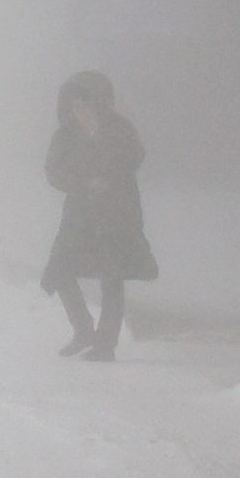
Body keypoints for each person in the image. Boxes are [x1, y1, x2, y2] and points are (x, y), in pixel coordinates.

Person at [39, 69, 156, 362]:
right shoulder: (64, 135)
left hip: (117, 213)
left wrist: (106, 172)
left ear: (99, 103)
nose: (79, 110)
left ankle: (105, 345)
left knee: (112, 276)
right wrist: (81, 182)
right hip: (80, 213)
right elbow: (53, 171)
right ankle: (83, 331)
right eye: (74, 104)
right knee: (60, 270)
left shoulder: (120, 129)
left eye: (85, 103)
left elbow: (134, 157)